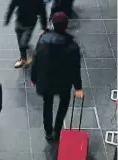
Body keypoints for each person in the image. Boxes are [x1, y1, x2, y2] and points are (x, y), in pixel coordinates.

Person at [31, 12, 83, 141]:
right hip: (63, 82)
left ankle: (48, 131)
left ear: (53, 24)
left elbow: (36, 60)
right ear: (66, 26)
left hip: (46, 81)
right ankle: (57, 130)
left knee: (47, 104)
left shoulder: (43, 40)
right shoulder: (72, 46)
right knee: (63, 104)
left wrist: (33, 77)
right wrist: (78, 88)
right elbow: (75, 69)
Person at [4, 0, 47, 69]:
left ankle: (23, 59)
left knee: (23, 44)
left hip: (30, 23)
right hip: (19, 21)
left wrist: (44, 27)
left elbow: (42, 13)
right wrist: (7, 18)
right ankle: (24, 48)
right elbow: (11, 6)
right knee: (20, 41)